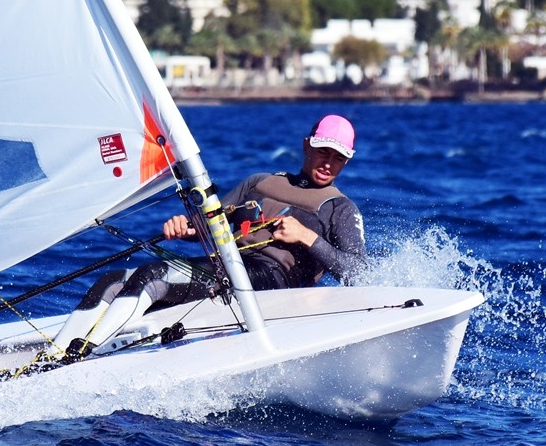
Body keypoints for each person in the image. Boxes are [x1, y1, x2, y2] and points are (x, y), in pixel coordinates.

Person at [44, 114, 366, 364]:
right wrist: (186, 228)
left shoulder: (339, 208)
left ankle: (81, 356)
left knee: (152, 277)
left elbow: (358, 273)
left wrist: (309, 238)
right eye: (322, 152)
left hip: (272, 287)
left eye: (338, 158)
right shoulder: (259, 182)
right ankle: (53, 355)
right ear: (306, 145)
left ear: (347, 161)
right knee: (112, 279)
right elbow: (212, 225)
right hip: (228, 269)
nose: (328, 163)